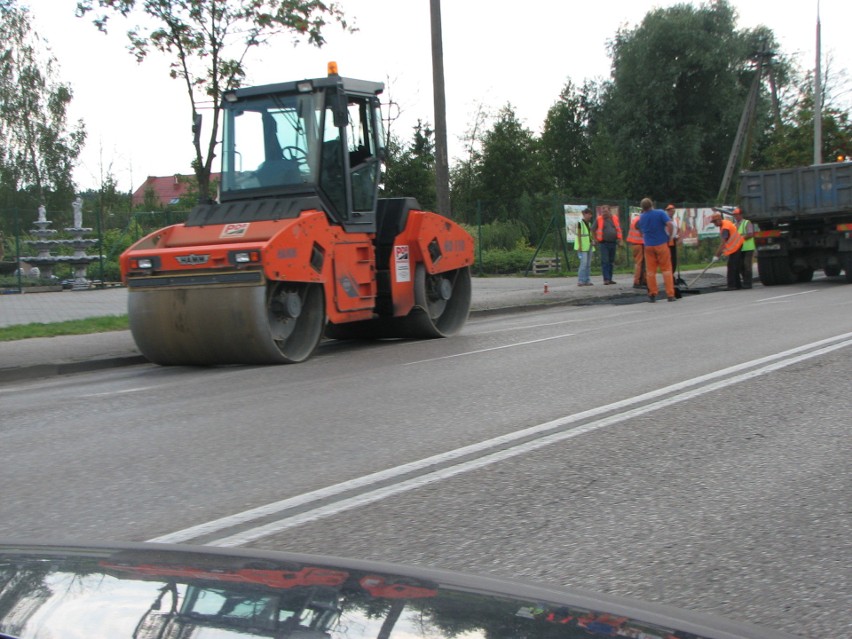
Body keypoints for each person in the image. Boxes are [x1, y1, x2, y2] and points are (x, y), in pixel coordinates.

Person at [636, 198, 675, 302]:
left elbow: (639, 229)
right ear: (652, 204)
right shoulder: (660, 213)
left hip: (648, 245)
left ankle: (652, 293)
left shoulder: (642, 217)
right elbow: (670, 224)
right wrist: (670, 236)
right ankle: (670, 294)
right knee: (666, 269)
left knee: (650, 271)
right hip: (661, 243)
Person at [710, 211, 744, 290]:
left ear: (719, 220)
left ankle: (732, 285)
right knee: (734, 266)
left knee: (731, 267)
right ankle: (737, 285)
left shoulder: (725, 228)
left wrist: (716, 255)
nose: (714, 224)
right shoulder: (725, 223)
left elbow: (723, 243)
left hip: (736, 247)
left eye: (715, 222)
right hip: (736, 246)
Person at [594, 205, 623, 284]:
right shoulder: (599, 219)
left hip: (613, 242)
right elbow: (593, 229)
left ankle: (610, 278)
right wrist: (595, 239)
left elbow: (619, 229)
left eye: (605, 211)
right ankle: (606, 279)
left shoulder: (614, 218)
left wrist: (620, 240)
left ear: (609, 211)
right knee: (605, 261)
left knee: (611, 261)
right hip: (604, 243)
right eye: (603, 212)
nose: (604, 213)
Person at [732, 207, 755, 289]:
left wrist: (740, 238)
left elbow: (750, 234)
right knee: (740, 265)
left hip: (748, 248)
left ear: (741, 215)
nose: (736, 217)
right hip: (739, 248)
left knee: (747, 265)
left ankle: (748, 283)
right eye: (734, 215)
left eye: (737, 215)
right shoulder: (734, 225)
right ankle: (744, 281)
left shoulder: (747, 223)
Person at [574, 208, 595, 286]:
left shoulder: (589, 224)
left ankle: (587, 280)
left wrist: (592, 240)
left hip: (589, 245)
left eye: (590, 214)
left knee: (588, 264)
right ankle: (581, 280)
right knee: (583, 264)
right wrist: (579, 246)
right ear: (584, 214)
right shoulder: (580, 223)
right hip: (582, 246)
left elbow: (589, 234)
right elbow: (579, 235)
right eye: (588, 214)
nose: (590, 216)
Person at [626, 213, 645, 289]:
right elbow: (641, 231)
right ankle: (638, 282)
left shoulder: (637, 218)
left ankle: (641, 280)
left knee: (639, 263)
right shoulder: (641, 219)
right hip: (639, 243)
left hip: (635, 243)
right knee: (640, 263)